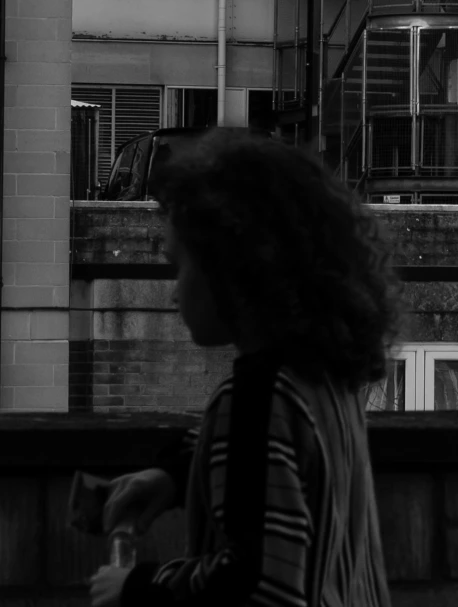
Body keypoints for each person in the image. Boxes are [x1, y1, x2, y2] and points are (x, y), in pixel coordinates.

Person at [71, 134, 395, 606]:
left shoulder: (254, 401)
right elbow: (272, 475)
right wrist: (176, 477)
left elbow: (260, 585)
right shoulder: (325, 378)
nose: (174, 293)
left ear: (233, 267)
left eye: (179, 265)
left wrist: (138, 587)